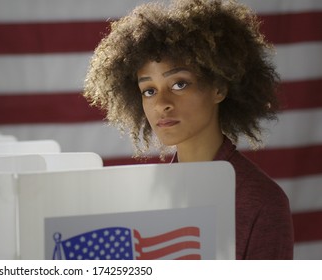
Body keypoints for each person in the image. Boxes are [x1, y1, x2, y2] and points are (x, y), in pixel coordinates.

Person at [83, 0, 294, 259]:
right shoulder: (141, 196)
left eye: (179, 84)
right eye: (148, 90)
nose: (161, 104)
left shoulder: (262, 202)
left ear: (219, 88)